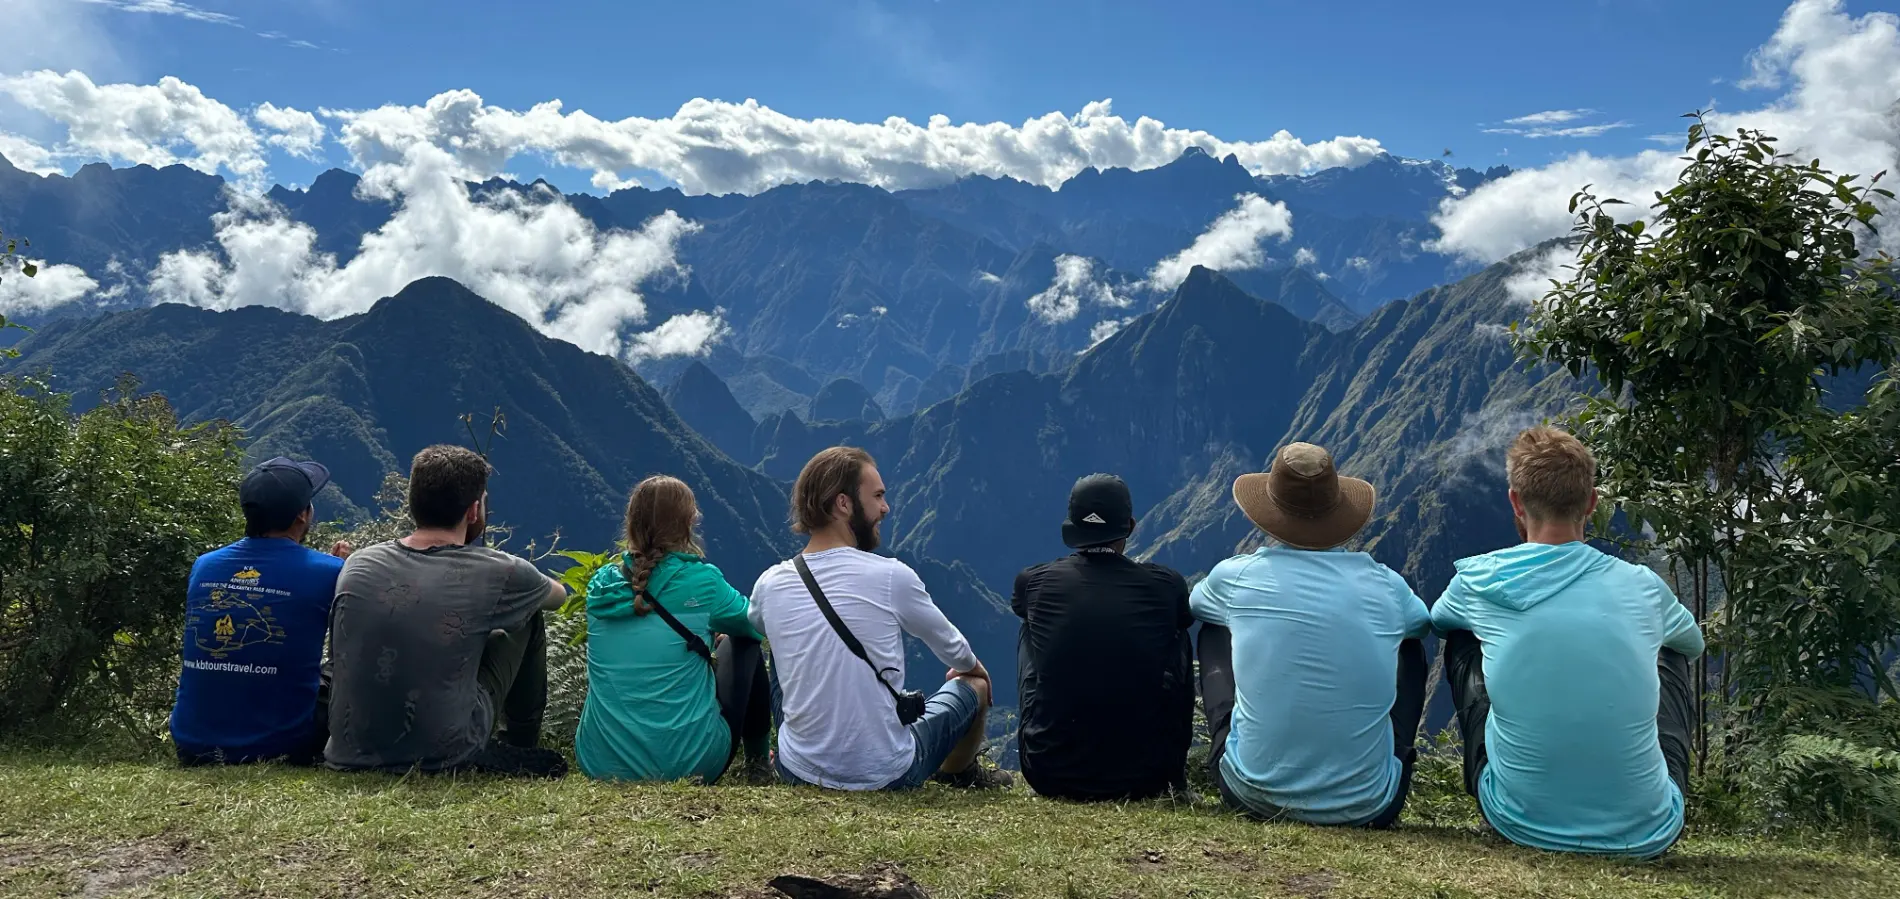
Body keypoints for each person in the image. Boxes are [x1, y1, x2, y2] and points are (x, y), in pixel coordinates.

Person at [1433, 426, 1703, 859]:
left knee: (1463, 635)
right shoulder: (1643, 586)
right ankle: (1631, 789)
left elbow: (1438, 621)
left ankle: (1520, 780)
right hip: (1651, 828)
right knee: (1669, 646)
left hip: (1515, 818)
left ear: (1515, 502)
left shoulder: (1479, 581)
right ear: (1592, 503)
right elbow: (1693, 644)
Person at [1193, 442, 1430, 828]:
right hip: (1369, 806)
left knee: (1216, 628)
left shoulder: (1236, 578)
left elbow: (1194, 605)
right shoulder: (1385, 585)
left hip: (1250, 795)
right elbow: (1420, 622)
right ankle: (1390, 756)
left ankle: (1233, 746)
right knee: (1409, 646)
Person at [749, 446, 1010, 791]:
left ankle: (772, 756)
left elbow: (755, 625)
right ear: (843, 504)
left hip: (799, 771)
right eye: (877, 496)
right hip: (887, 775)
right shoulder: (892, 577)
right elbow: (956, 652)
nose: (885, 508)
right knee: (975, 684)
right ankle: (958, 774)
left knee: (777, 657)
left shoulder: (770, 583)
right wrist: (976, 669)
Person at [324, 445, 570, 777]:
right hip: (447, 752)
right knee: (527, 617)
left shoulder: (359, 561)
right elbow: (558, 596)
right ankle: (522, 744)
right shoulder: (499, 571)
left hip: (347, 751)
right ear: (473, 511)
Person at [575, 476, 772, 783]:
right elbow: (756, 623)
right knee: (743, 642)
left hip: (600, 762)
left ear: (630, 523)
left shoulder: (600, 586)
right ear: (688, 523)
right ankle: (759, 762)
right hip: (690, 762)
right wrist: (712, 634)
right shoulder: (702, 581)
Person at [1011, 473, 1193, 801]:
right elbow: (1183, 620)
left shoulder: (1033, 582)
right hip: (1149, 775)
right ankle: (1178, 778)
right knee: (1179, 634)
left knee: (1030, 627)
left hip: (1049, 772)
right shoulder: (1167, 585)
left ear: (1071, 526)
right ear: (1131, 526)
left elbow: (1024, 612)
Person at [170, 457, 351, 767]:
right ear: (302, 515)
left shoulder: (205, 565)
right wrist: (345, 571)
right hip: (284, 746)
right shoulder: (330, 571)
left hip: (192, 744)